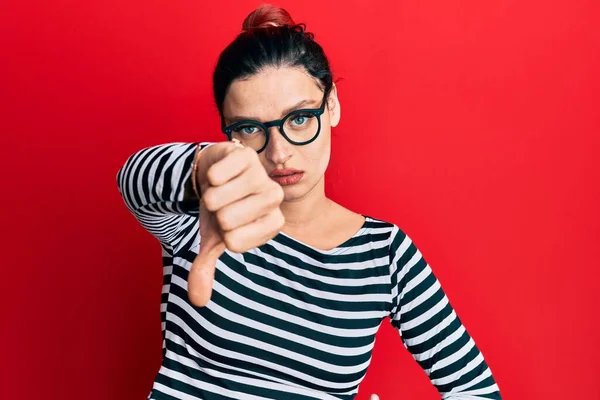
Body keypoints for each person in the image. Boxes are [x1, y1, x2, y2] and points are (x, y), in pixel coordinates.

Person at [116, 4, 502, 400]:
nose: (279, 152)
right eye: (250, 128)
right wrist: (203, 169)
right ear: (228, 133)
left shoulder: (385, 254)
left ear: (331, 105)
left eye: (299, 118)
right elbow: (132, 182)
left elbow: (476, 390)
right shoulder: (203, 216)